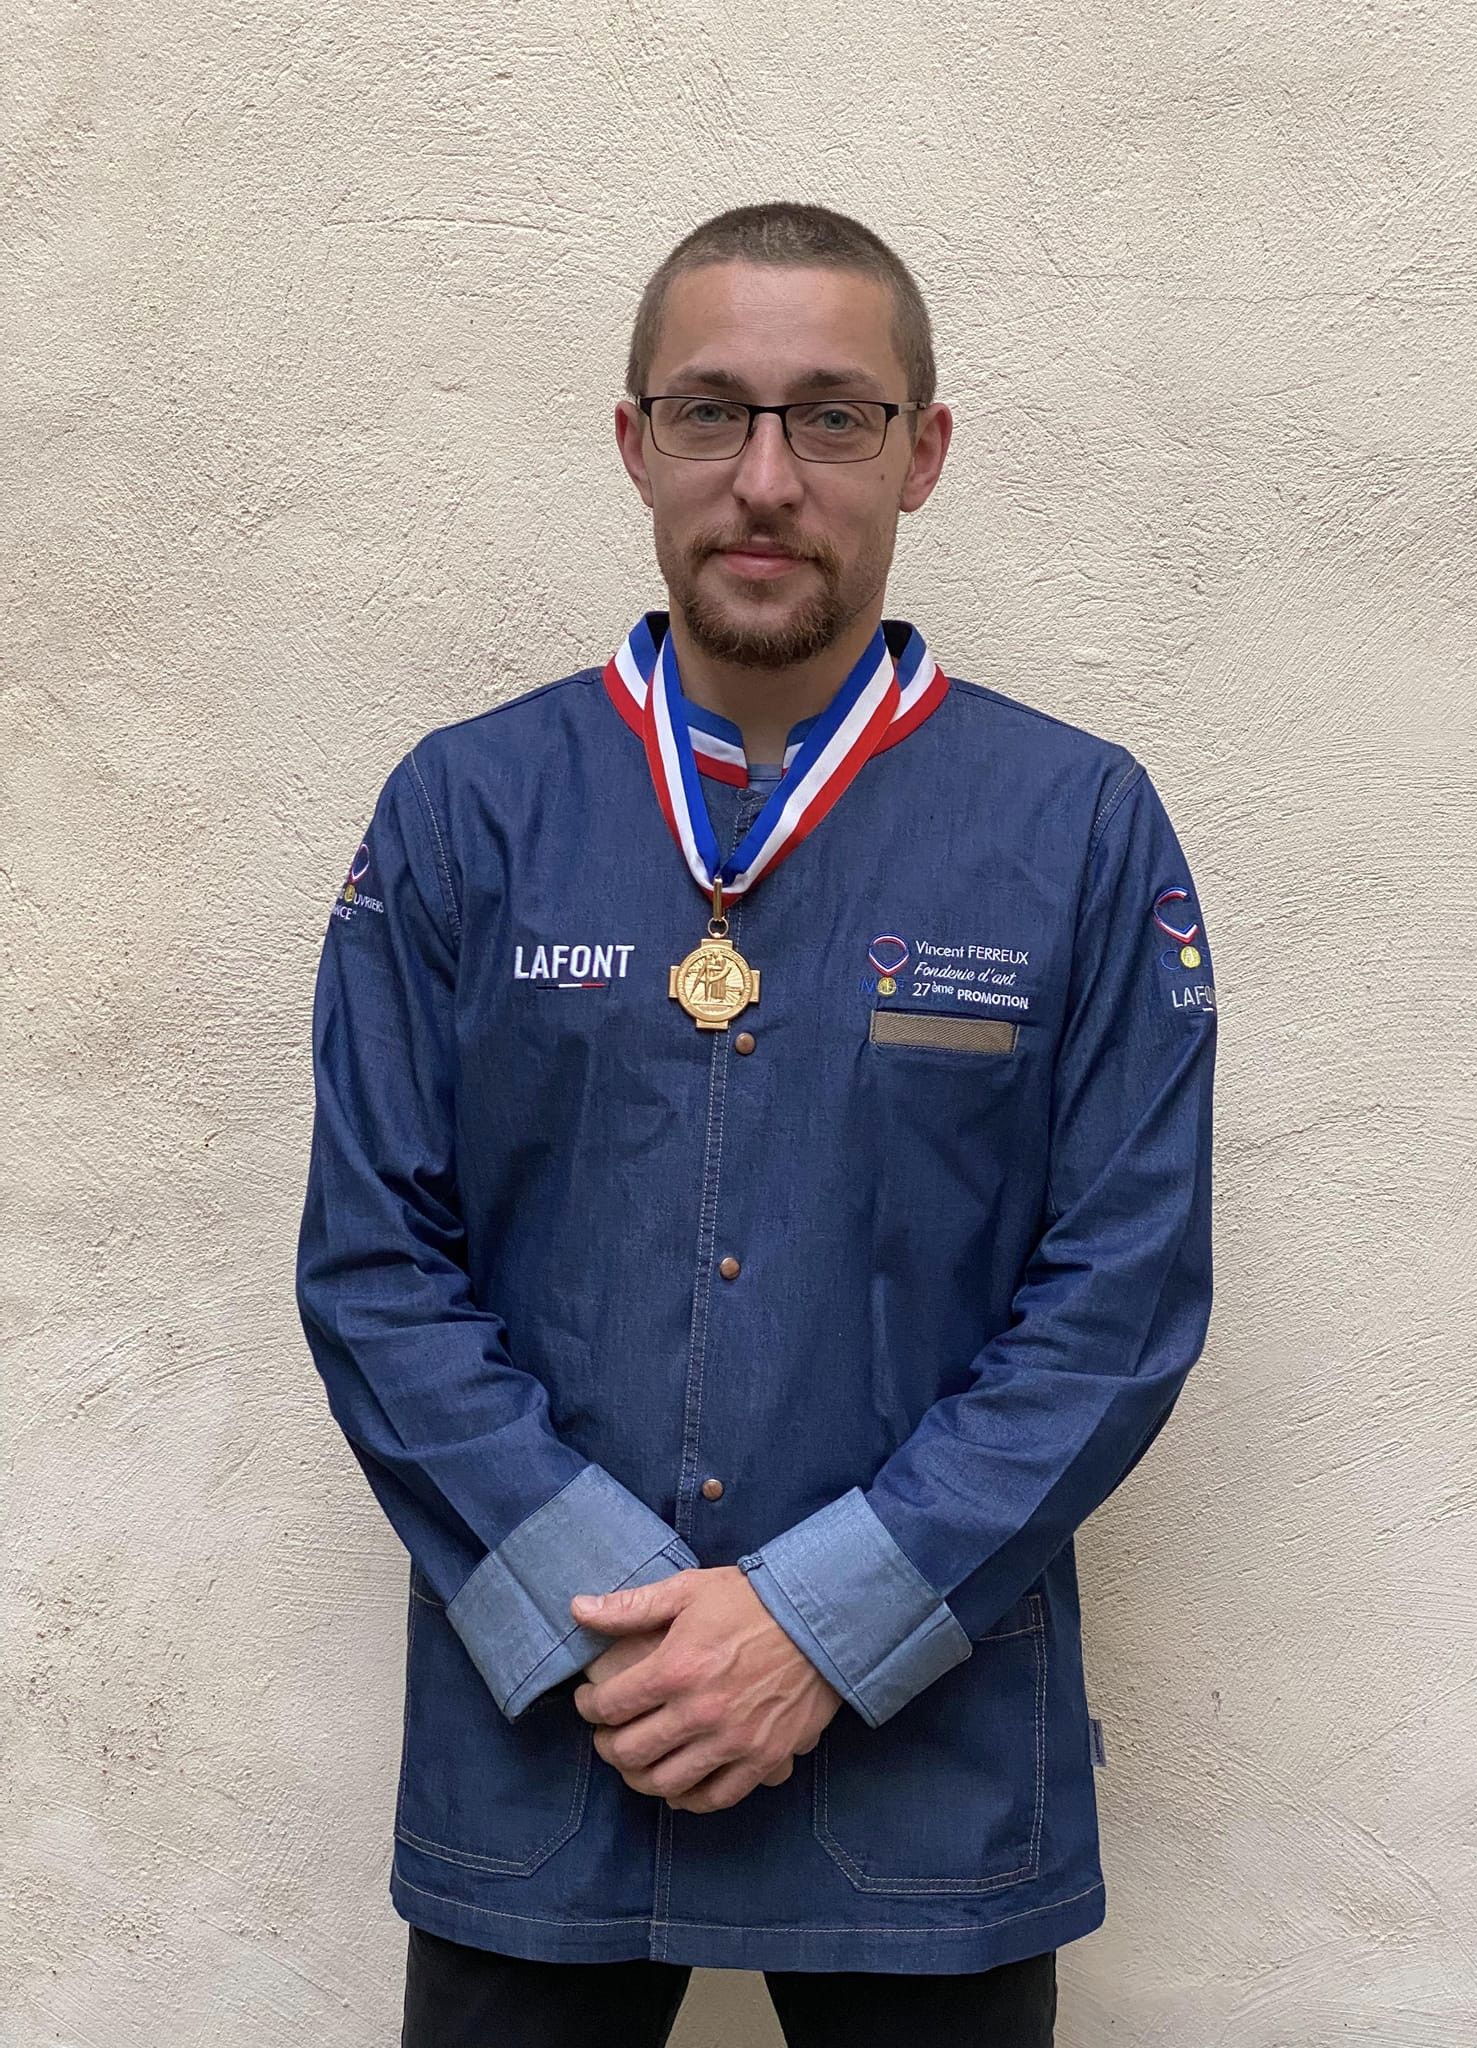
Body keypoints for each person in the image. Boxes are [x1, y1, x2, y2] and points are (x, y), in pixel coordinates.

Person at [295, 200, 1219, 2048]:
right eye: (711, 411)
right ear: (635, 441)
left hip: (925, 1771)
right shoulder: (464, 812)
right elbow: (376, 1267)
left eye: (834, 417)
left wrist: (815, 1625)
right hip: (555, 1736)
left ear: (922, 453)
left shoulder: (1080, 830)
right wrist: (619, 1611)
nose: (768, 478)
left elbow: (1116, 1302)